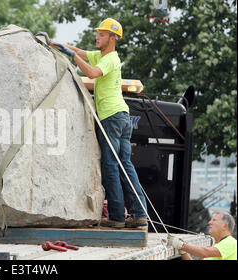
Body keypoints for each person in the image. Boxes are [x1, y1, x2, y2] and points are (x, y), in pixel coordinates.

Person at [50, 18, 148, 229]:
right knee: (125, 165)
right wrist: (55, 44)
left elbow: (92, 73)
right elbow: (80, 51)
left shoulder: (111, 59)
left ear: (113, 39)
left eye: (102, 34)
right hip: (121, 116)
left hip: (112, 118)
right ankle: (139, 214)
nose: (97, 36)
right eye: (98, 33)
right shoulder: (100, 55)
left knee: (111, 166)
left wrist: (72, 56)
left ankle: (117, 217)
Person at [169, 211, 237, 260]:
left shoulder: (232, 243)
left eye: (214, 220)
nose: (209, 222)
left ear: (224, 226)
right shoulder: (217, 247)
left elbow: (205, 252)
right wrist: (183, 252)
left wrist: (182, 245)